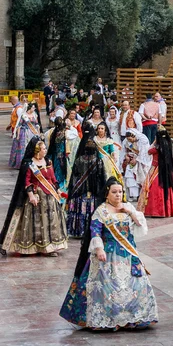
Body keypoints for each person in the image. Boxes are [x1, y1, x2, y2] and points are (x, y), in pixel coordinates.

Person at [60, 178, 158, 330]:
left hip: (127, 254)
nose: (118, 195)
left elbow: (140, 226)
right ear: (107, 194)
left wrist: (131, 212)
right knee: (107, 286)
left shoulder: (128, 207)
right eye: (114, 192)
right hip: (108, 256)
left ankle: (132, 318)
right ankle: (109, 319)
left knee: (134, 285)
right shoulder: (101, 211)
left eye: (120, 192)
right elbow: (95, 231)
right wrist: (99, 249)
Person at [0, 138, 67, 256]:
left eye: (45, 148)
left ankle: (50, 248)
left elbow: (52, 178)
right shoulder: (29, 164)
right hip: (36, 197)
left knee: (50, 222)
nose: (45, 150)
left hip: (49, 198)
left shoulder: (48, 161)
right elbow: (26, 181)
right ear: (37, 151)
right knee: (34, 222)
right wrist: (31, 195)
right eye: (43, 149)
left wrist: (57, 189)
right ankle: (30, 248)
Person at [66, 124, 122, 238]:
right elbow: (101, 178)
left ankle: (79, 231)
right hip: (93, 192)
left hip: (80, 192)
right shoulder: (98, 161)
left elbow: (75, 176)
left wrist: (75, 191)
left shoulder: (79, 160)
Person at [137, 127, 173, 217]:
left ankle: (157, 210)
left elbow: (148, 151)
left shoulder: (157, 147)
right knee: (169, 188)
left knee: (154, 188)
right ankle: (169, 209)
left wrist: (154, 142)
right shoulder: (168, 145)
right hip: (166, 170)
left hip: (155, 169)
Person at [122, 129, 152, 199]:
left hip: (142, 161)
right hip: (131, 159)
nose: (130, 141)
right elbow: (124, 150)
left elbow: (144, 153)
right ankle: (133, 194)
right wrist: (126, 156)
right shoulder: (126, 141)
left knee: (142, 177)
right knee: (130, 176)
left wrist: (137, 159)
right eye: (128, 139)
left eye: (131, 139)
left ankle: (141, 194)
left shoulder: (143, 140)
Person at [9, 102, 40, 169]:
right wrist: (17, 136)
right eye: (33, 107)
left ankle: (32, 162)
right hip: (24, 133)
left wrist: (38, 133)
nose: (34, 108)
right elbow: (19, 126)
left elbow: (37, 124)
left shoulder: (34, 115)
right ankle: (21, 164)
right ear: (29, 108)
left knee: (33, 147)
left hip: (32, 133)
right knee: (23, 148)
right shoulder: (23, 115)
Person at [47, 117, 68, 192]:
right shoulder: (61, 133)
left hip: (55, 153)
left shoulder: (54, 132)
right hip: (60, 154)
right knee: (60, 170)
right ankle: (58, 184)